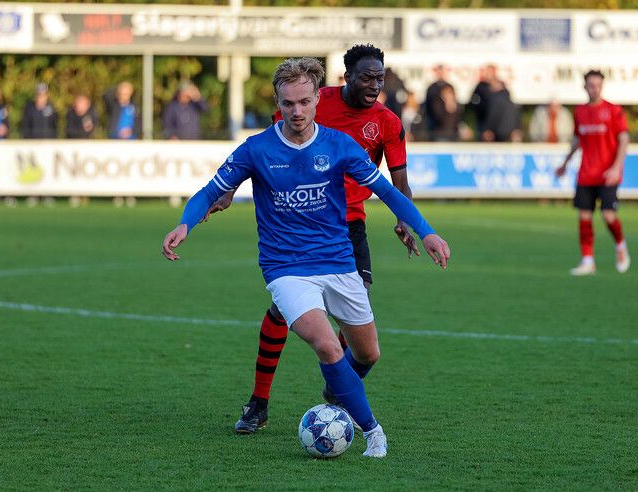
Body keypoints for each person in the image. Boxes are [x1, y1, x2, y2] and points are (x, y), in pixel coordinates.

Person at [161, 57, 451, 458]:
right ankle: (373, 432)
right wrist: (185, 224)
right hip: (287, 269)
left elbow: (387, 191)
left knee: (368, 354)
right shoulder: (257, 149)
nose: (296, 111)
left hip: (338, 261)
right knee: (329, 347)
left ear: (318, 99)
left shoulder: (339, 145)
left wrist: (427, 230)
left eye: (303, 102)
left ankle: (339, 394)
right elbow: (211, 191)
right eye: (287, 103)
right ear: (277, 103)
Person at [203, 45, 420, 435]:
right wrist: (230, 188)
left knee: (360, 334)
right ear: (346, 78)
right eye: (366, 77)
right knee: (282, 312)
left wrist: (408, 220)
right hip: (302, 221)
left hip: (349, 226)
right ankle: (259, 402)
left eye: (379, 78)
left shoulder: (387, 122)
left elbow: (398, 179)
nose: (374, 85)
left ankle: (338, 387)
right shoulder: (310, 101)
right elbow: (270, 150)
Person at [555, 70, 630, 276]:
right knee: (584, 217)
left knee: (608, 215)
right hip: (586, 173)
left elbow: (623, 140)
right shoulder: (580, 112)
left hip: (607, 174)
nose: (594, 89)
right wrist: (564, 164)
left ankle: (620, 245)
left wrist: (616, 167)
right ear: (585, 87)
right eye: (591, 85)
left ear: (602, 86)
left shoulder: (613, 111)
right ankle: (588, 261)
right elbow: (577, 141)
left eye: (598, 85)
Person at [423, 64, 456, 140]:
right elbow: (429, 107)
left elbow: (454, 110)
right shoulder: (432, 88)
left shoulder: (450, 86)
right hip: (435, 127)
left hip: (450, 130)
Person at [469, 64, 500, 139]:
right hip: (483, 123)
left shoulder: (501, 86)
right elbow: (474, 102)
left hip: (499, 124)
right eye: (488, 72)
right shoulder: (480, 87)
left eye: (491, 72)